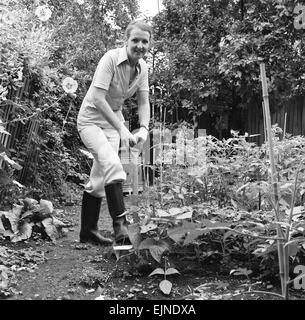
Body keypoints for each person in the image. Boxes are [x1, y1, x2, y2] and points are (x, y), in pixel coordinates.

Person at [77, 20, 152, 247]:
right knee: (113, 165)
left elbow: (143, 102)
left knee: (99, 179)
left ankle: (87, 232)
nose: (140, 45)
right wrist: (123, 128)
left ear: (149, 44)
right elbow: (98, 99)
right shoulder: (110, 59)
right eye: (135, 40)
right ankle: (121, 232)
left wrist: (144, 128)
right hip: (90, 121)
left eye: (144, 41)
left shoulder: (143, 68)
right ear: (126, 40)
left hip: (111, 124)